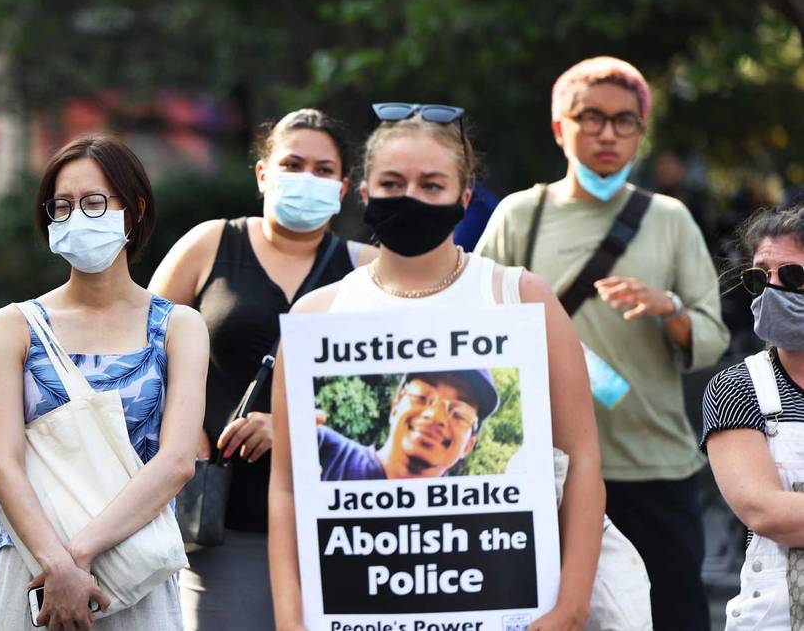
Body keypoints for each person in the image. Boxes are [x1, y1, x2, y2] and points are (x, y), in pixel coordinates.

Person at [270, 104, 605, 631]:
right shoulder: (317, 317)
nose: (412, 198)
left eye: (432, 185)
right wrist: (291, 622)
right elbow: (287, 488)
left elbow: (583, 458)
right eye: (392, 182)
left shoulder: (521, 298)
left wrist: (570, 606)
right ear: (364, 193)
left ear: (464, 198)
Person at [475, 57, 730, 630]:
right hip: (545, 469)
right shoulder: (521, 214)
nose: (608, 134)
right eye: (591, 118)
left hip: (653, 465)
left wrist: (670, 310)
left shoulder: (670, 219)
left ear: (642, 131)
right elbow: (473, 327)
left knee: (672, 615)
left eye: (625, 121)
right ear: (560, 127)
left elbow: (713, 339)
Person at [149, 108, 376, 630]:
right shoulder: (210, 244)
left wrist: (297, 430)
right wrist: (184, 436)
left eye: (324, 170)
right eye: (292, 163)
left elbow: (394, 392)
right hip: (222, 519)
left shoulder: (367, 269)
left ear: (342, 189)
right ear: (262, 174)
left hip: (339, 523)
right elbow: (141, 356)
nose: (307, 178)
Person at [0, 135, 208, 630]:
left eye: (93, 202)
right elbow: (3, 463)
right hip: (33, 570)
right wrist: (56, 565)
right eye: (61, 207)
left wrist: (76, 556)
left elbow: (176, 462)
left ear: (134, 209)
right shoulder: (12, 325)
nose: (76, 217)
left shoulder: (179, 327)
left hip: (136, 567)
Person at [701, 205, 804, 629]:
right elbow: (764, 511)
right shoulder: (737, 388)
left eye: (794, 277)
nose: (773, 290)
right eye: (760, 277)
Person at [317, 370, 499, 481]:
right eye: (421, 396)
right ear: (395, 406)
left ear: (468, 446)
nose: (435, 416)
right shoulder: (321, 452)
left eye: (459, 414)